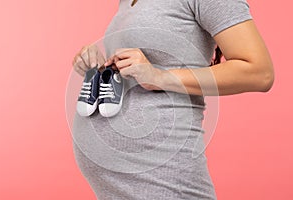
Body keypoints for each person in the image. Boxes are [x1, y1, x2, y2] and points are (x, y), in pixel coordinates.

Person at [72, 0, 274, 199]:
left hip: (164, 177)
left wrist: (160, 77)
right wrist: (96, 64)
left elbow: (259, 72)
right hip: (115, 185)